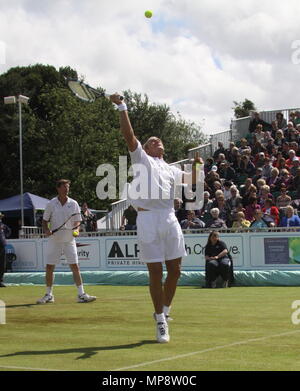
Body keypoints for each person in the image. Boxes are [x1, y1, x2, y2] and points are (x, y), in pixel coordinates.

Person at [110, 93, 203, 343]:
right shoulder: (141, 159)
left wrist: (197, 166)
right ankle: (160, 321)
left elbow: (193, 180)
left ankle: (165, 311)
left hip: (169, 217)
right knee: (155, 272)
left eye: (158, 140)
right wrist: (122, 107)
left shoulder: (172, 169)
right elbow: (129, 136)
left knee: (175, 271)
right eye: (152, 140)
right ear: (147, 148)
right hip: (148, 218)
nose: (156, 141)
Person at [37, 179, 96, 304]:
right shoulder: (51, 204)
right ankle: (49, 295)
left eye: (68, 187)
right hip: (54, 240)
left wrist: (77, 229)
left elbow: (78, 220)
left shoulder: (74, 203)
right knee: (49, 267)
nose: (66, 189)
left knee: (75, 266)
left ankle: (81, 294)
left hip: (69, 240)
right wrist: (46, 230)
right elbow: (44, 221)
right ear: (58, 188)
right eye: (64, 187)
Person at [0, 212, 12, 288]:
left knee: (2, 264)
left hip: (2, 246)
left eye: (0, 216)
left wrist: (4, 237)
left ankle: (0, 281)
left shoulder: (3, 225)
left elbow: (9, 231)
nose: (0, 218)